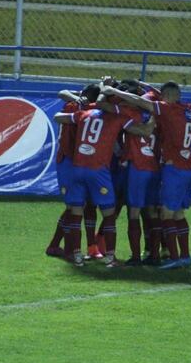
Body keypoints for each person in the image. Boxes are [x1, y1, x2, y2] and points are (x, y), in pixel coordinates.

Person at [52, 88, 155, 267]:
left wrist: (79, 104)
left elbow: (58, 117)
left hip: (77, 168)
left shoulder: (84, 114)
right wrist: (154, 117)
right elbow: (144, 132)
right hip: (98, 171)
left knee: (76, 212)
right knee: (108, 213)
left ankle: (77, 256)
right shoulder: (117, 118)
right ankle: (110, 257)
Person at [100, 81, 191, 270]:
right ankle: (166, 254)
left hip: (150, 168)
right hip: (175, 168)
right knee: (167, 212)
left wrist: (110, 90)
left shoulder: (138, 111)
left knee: (143, 212)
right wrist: (143, 85)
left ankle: (152, 257)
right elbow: (161, 95)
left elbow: (124, 103)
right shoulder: (188, 110)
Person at [45, 85, 104, 260]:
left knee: (76, 205)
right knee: (75, 206)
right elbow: (62, 94)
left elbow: (63, 92)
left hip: (70, 160)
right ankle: (69, 250)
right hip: (70, 160)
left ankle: (55, 246)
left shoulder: (76, 104)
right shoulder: (84, 109)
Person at [117, 82, 161, 266]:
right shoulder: (157, 110)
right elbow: (156, 92)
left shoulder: (127, 113)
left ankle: (136, 257)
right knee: (151, 211)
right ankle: (154, 255)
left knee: (133, 212)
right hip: (154, 167)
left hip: (137, 167)